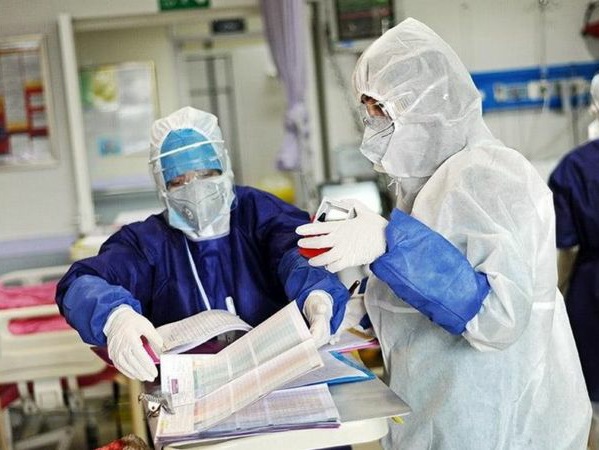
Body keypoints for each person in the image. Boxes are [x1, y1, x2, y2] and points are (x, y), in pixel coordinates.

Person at [296, 18, 592, 449]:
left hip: (500, 419)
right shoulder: (426, 187)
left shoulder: (489, 175)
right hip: (442, 410)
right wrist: (359, 310)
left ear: (429, 106)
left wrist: (389, 242)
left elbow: (498, 317)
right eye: (368, 113)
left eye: (382, 112)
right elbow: (427, 289)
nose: (371, 129)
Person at [55, 107, 349, 382]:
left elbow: (294, 250)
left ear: (224, 167)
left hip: (285, 377)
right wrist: (114, 316)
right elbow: (81, 282)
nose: (194, 188)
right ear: (162, 187)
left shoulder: (259, 213)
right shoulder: (148, 243)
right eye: (178, 181)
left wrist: (317, 294)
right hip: (192, 389)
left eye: (206, 174)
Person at [548, 102, 599, 444]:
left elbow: (566, 246)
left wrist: (557, 294)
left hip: (591, 292)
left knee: (592, 401)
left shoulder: (576, 167)